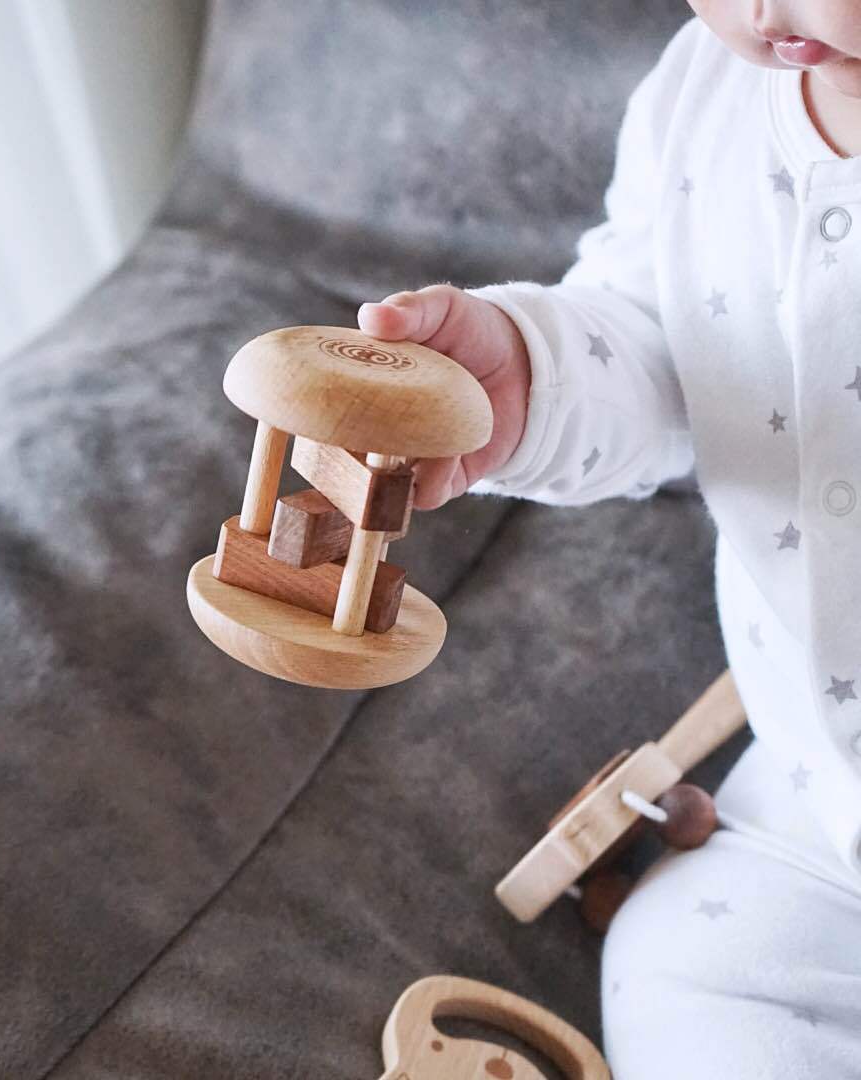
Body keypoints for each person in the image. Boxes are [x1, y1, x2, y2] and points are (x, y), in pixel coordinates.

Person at [358, 4, 861, 1075]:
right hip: (819, 797)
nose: (769, 9)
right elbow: (652, 340)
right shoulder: (702, 100)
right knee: (683, 962)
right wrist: (527, 374)